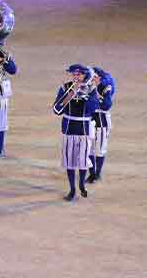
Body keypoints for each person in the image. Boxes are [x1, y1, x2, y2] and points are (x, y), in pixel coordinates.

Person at [52, 65, 100, 202]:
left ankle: (81, 184)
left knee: (83, 160)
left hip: (84, 129)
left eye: (79, 75)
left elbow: (93, 109)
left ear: (85, 76)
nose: (76, 77)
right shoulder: (65, 87)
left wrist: (87, 93)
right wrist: (70, 95)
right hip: (68, 128)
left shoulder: (90, 89)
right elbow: (56, 110)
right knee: (69, 161)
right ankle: (72, 189)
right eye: (74, 75)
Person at [88, 67, 115, 183]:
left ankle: (97, 173)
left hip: (101, 121)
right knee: (88, 149)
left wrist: (95, 98)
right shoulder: (88, 86)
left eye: (93, 77)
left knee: (99, 149)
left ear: (98, 77)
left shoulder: (105, 87)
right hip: (89, 120)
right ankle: (92, 173)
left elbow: (107, 105)